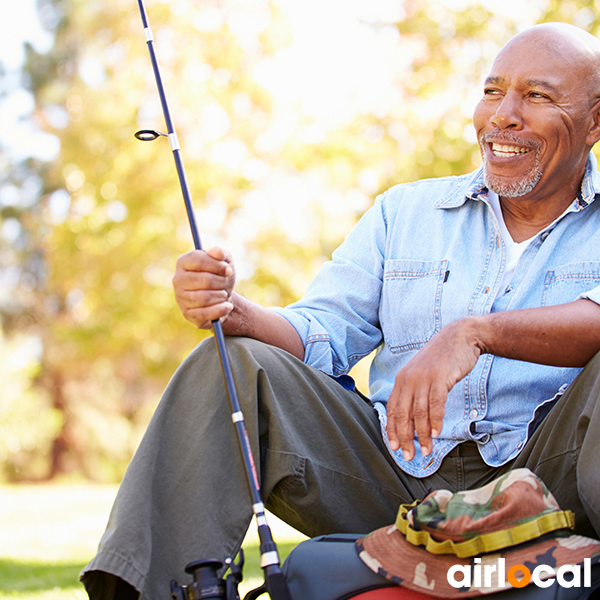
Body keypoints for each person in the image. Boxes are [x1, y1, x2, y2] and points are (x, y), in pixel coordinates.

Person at [81, 22, 600, 600]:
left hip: (552, 479)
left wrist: (475, 333)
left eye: (538, 95)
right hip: (394, 480)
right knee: (233, 359)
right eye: (491, 91)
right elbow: (321, 332)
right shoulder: (403, 212)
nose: (502, 114)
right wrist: (239, 311)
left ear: (596, 121)